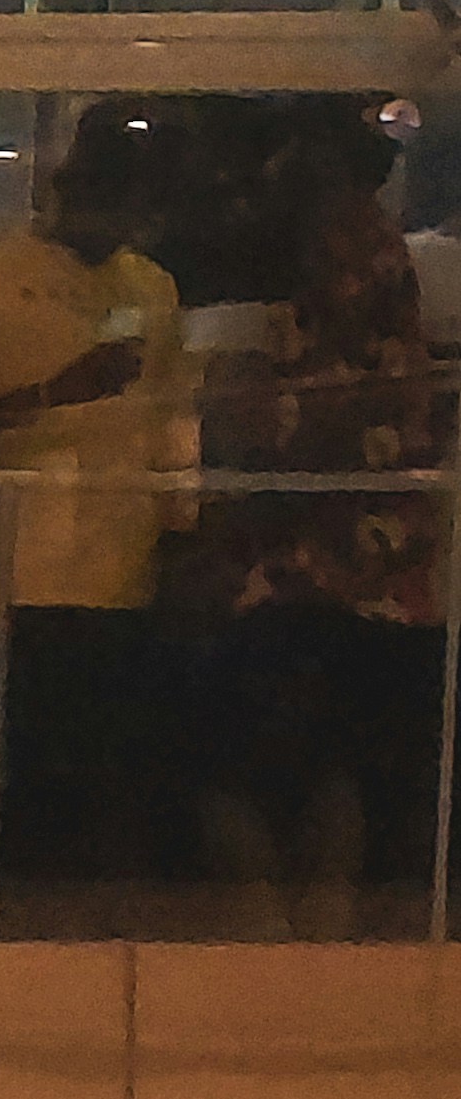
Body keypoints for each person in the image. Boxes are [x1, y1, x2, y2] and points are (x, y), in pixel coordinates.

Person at [0, 102, 191, 913]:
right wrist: (54, 392)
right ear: (72, 185)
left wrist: (184, 537)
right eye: (112, 189)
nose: (126, 212)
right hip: (13, 583)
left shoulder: (151, 286)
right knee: (16, 788)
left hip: (125, 582)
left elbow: (173, 426)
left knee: (107, 787)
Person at [187, 115, 447, 921]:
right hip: (332, 590)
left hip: (349, 592)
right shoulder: (302, 331)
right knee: (308, 774)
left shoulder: (388, 350)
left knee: (328, 778)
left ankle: (312, 943)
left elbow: (279, 434)